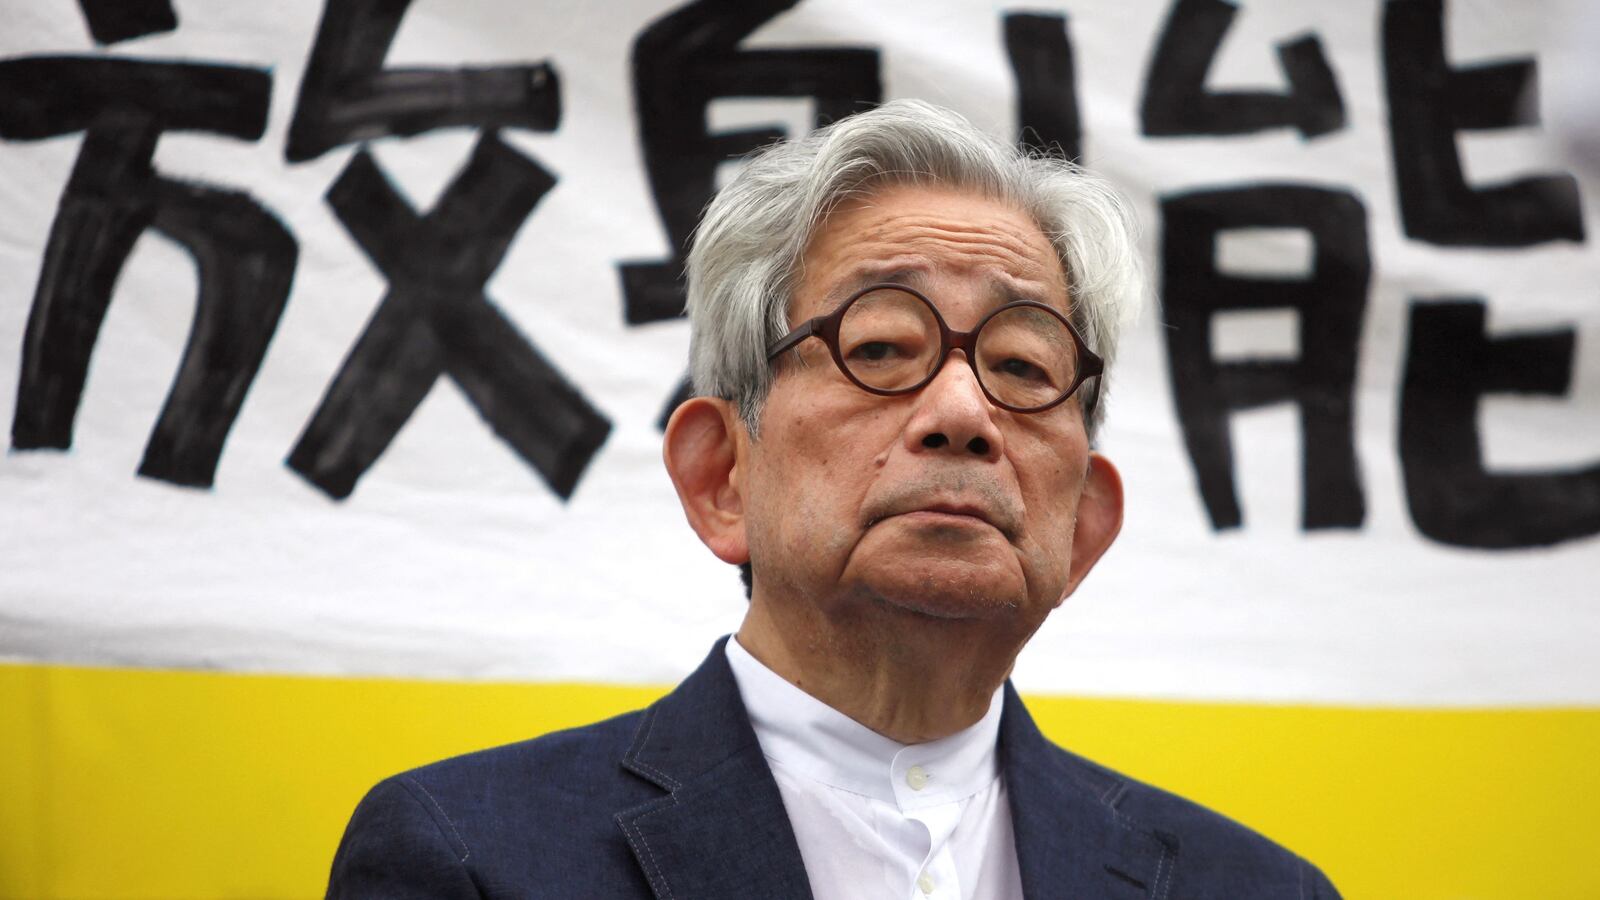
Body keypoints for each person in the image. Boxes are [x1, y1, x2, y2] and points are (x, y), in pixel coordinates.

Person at [326, 99, 1340, 899]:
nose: (960, 412)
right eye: (880, 347)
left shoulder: (1258, 888)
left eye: (1024, 366)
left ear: (1081, 528)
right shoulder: (471, 859)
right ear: (721, 475)